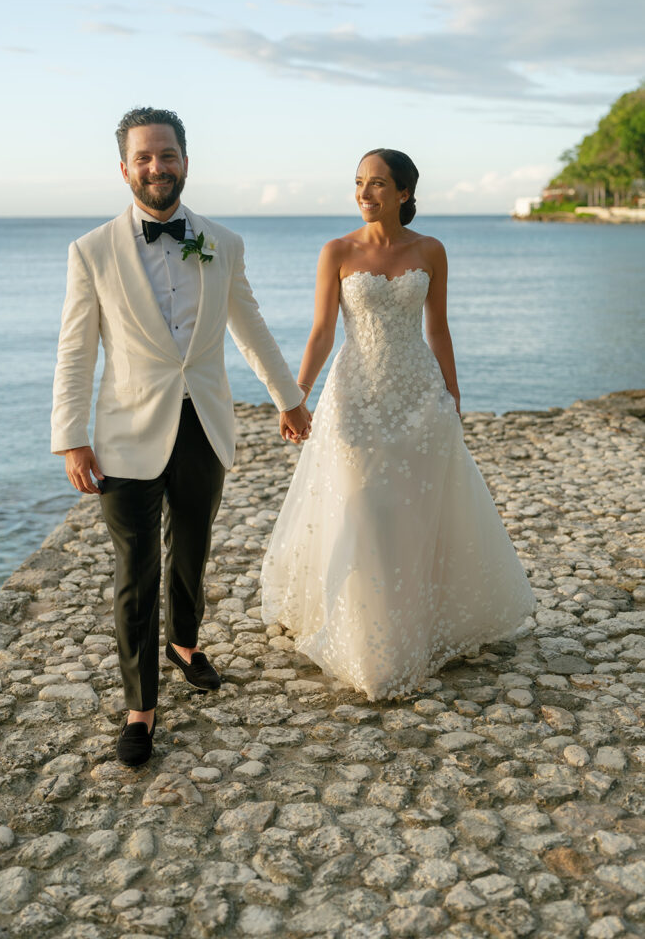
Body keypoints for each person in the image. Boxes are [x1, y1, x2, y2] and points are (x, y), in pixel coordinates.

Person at [51, 107, 310, 765]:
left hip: (204, 422)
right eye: (143, 157)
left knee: (192, 546)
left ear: (186, 162)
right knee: (135, 572)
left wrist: (288, 397)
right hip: (125, 432)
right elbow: (76, 351)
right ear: (124, 169)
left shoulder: (223, 243)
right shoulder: (91, 251)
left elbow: (249, 325)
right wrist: (71, 437)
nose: (156, 167)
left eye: (166, 155)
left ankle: (184, 644)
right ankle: (141, 708)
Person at [261, 148, 535, 700]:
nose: (364, 193)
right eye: (359, 182)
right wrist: (295, 398)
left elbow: (439, 329)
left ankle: (420, 623)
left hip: (418, 396)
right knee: (364, 508)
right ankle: (369, 642)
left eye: (378, 184)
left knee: (414, 508)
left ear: (404, 192)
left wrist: (452, 395)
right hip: (355, 398)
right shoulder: (337, 251)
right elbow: (321, 332)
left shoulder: (430, 250)